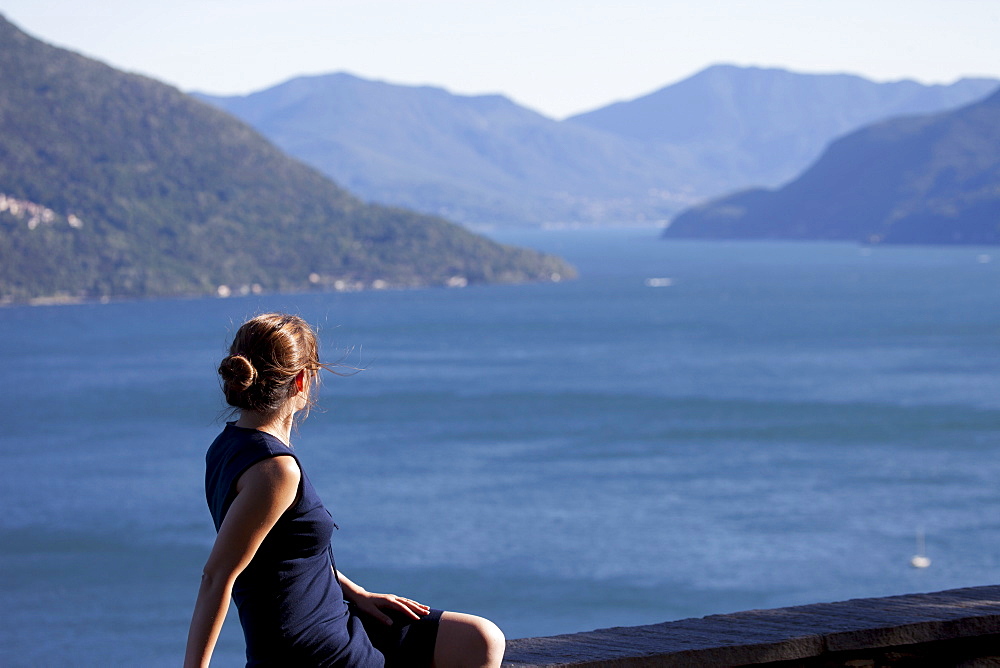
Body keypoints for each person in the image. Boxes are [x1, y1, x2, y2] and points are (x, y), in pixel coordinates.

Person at [184, 313, 505, 668]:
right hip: (314, 651)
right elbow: (217, 576)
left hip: (337, 617)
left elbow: (278, 553)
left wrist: (356, 593)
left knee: (479, 639)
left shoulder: (227, 446)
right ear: (303, 381)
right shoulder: (276, 469)